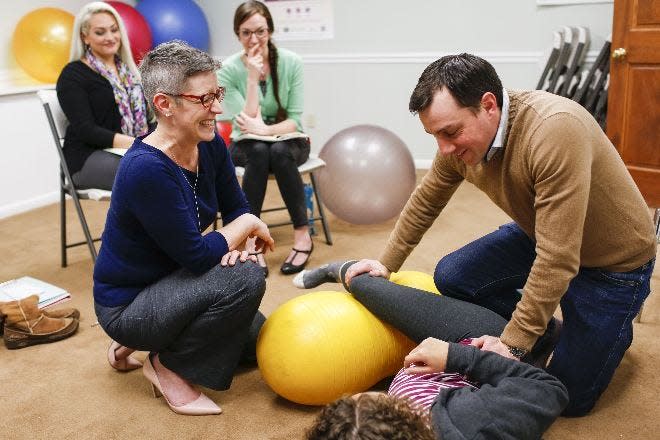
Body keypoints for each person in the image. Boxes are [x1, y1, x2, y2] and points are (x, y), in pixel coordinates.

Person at [341, 54, 657, 416]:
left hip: (613, 262)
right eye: (435, 136)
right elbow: (426, 202)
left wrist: (513, 345)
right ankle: (550, 332)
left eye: (450, 132)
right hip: (543, 231)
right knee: (453, 276)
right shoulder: (459, 144)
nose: (444, 149)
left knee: (565, 397)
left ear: (488, 105)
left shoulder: (555, 130)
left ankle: (608, 333)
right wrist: (385, 263)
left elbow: (558, 258)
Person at [93, 40, 275, 416]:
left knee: (255, 339)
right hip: (128, 305)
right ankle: (166, 366)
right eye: (205, 99)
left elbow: (235, 206)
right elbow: (196, 255)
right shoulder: (146, 167)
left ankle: (162, 338)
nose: (219, 108)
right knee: (246, 278)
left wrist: (241, 237)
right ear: (164, 104)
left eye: (218, 94)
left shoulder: (207, 143)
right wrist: (244, 229)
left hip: (172, 280)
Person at [300, 264, 568, 439]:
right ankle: (543, 332)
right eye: (369, 402)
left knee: (377, 289)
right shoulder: (474, 421)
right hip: (481, 347)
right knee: (369, 286)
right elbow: (549, 390)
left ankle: (339, 271)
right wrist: (456, 356)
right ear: (407, 419)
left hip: (428, 358)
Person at [217, 0, 312, 276]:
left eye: (260, 31)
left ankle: (302, 235)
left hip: (289, 141)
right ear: (238, 35)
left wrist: (266, 130)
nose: (254, 39)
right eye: (246, 33)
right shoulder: (229, 69)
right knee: (260, 151)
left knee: (279, 151)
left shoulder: (291, 62)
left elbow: (294, 117)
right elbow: (246, 119)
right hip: (248, 145)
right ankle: (249, 238)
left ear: (269, 30)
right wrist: (250, 77)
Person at [56, 2, 150, 190]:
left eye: (114, 30)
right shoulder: (72, 75)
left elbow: (149, 119)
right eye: (100, 32)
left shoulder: (129, 72)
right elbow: (86, 130)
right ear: (85, 37)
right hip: (86, 158)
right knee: (150, 170)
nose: (110, 37)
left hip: (129, 151)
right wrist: (140, 145)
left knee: (185, 160)